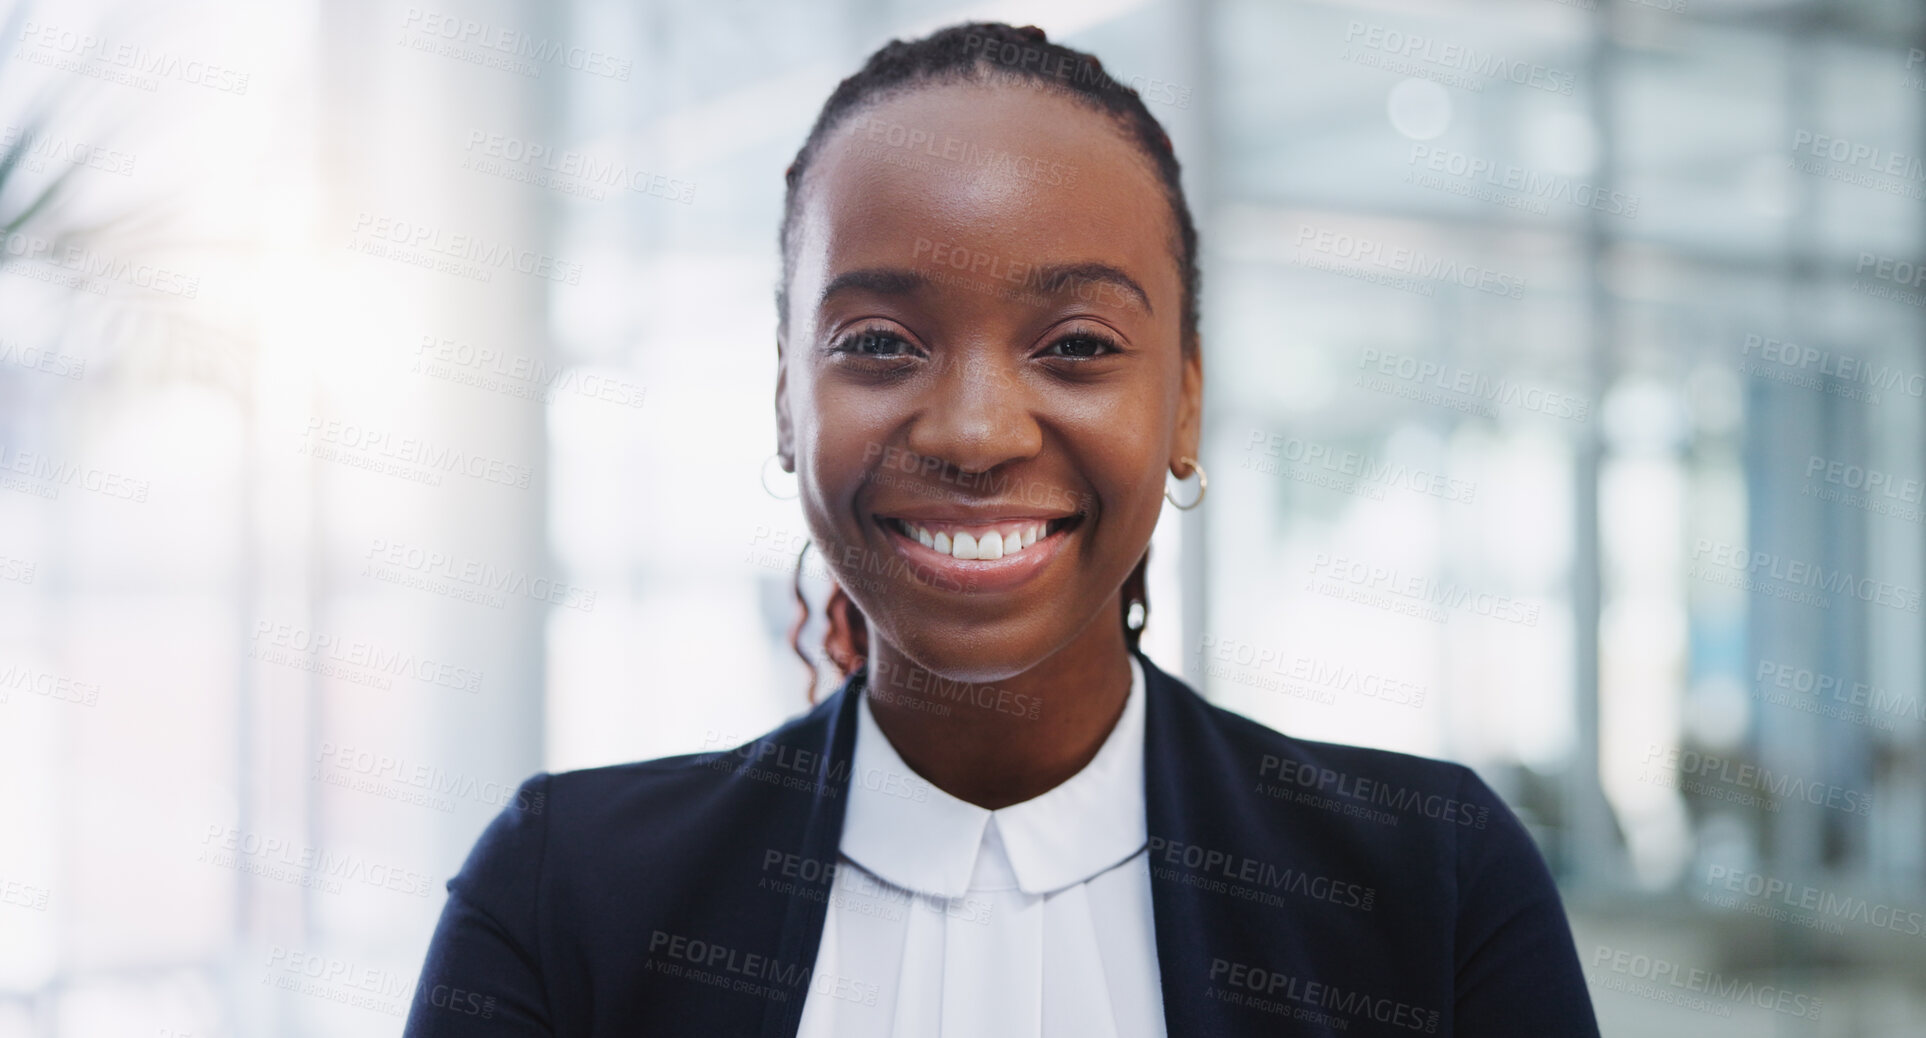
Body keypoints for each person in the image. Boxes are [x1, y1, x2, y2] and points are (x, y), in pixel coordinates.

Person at [405, 22, 1601, 1037]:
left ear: (1184, 402)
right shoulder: (566, 896)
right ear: (786, 398)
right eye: (879, 343)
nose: (976, 433)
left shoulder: (1428, 888)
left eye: (1077, 345)